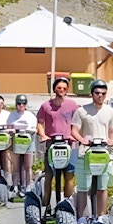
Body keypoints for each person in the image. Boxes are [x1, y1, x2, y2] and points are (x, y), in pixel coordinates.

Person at [70, 79, 113, 224]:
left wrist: (111, 141)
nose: (100, 96)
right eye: (97, 93)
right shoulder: (81, 111)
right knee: (83, 187)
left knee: (102, 188)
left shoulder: (110, 112)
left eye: (103, 93)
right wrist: (83, 140)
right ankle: (82, 218)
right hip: (85, 153)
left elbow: (112, 134)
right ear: (91, 94)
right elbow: (74, 130)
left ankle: (101, 217)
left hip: (103, 154)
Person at [36, 77, 79, 216]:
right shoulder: (45, 106)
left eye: (64, 88)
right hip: (52, 144)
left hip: (69, 144)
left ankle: (67, 205)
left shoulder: (73, 105)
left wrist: (76, 136)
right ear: (55, 89)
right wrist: (43, 135)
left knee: (69, 176)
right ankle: (46, 206)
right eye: (59, 88)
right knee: (49, 176)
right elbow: (40, 123)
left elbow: (78, 124)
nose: (62, 90)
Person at [6, 94, 38, 196]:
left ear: (26, 105)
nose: (21, 105)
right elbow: (9, 127)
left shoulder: (30, 116)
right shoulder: (12, 115)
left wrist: (28, 130)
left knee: (28, 166)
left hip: (28, 142)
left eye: (23, 103)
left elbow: (34, 128)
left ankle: (28, 186)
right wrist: (13, 130)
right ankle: (15, 185)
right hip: (16, 142)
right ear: (16, 104)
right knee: (16, 165)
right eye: (19, 103)